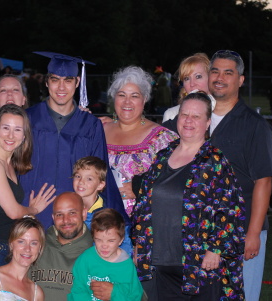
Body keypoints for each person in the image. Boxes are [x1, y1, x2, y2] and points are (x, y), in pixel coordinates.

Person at [133, 92, 246, 300]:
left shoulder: (215, 162)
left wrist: (216, 249)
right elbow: (143, 206)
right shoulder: (162, 157)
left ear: (208, 122)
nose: (188, 121)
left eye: (196, 116)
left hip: (199, 263)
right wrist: (139, 243)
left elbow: (232, 210)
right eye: (184, 114)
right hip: (159, 262)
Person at [19, 52, 125, 229]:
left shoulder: (90, 126)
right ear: (46, 82)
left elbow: (100, 174)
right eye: (55, 80)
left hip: (76, 220)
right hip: (32, 215)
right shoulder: (27, 120)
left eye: (68, 80)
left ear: (77, 82)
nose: (61, 87)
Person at [207, 50, 272, 301]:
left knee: (242, 296)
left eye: (228, 72)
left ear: (240, 80)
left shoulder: (254, 125)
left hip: (242, 229)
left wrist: (253, 233)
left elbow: (264, 181)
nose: (220, 77)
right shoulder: (194, 118)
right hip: (204, 231)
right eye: (215, 71)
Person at [0, 104, 56, 280]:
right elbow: (13, 212)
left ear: (23, 136)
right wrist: (33, 209)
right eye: (6, 128)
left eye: (17, 130)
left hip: (1, 247)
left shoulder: (9, 165)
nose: (11, 135)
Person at [104, 66, 178, 216]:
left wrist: (140, 187)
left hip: (143, 223)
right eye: (122, 95)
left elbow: (174, 183)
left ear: (144, 100)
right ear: (114, 98)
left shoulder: (163, 138)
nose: (127, 102)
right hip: (102, 224)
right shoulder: (97, 131)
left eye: (134, 96)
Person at [68, 208, 143, 301]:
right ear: (93, 237)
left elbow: (135, 297)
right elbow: (78, 291)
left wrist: (114, 293)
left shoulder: (127, 266)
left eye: (111, 241)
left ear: (121, 240)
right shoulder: (85, 259)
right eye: (99, 240)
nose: (104, 246)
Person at [30, 192, 93, 300]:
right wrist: (30, 215)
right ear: (53, 217)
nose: (66, 220)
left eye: (72, 213)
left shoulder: (97, 254)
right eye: (59, 214)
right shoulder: (36, 246)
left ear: (84, 213)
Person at [72, 156, 132, 255]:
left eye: (89, 179)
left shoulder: (108, 212)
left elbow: (124, 243)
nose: (81, 182)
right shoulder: (69, 206)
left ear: (100, 185)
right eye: (78, 176)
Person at [163, 53, 215, 122]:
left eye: (198, 76)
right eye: (187, 78)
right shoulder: (171, 115)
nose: (192, 84)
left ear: (210, 78)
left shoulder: (224, 113)